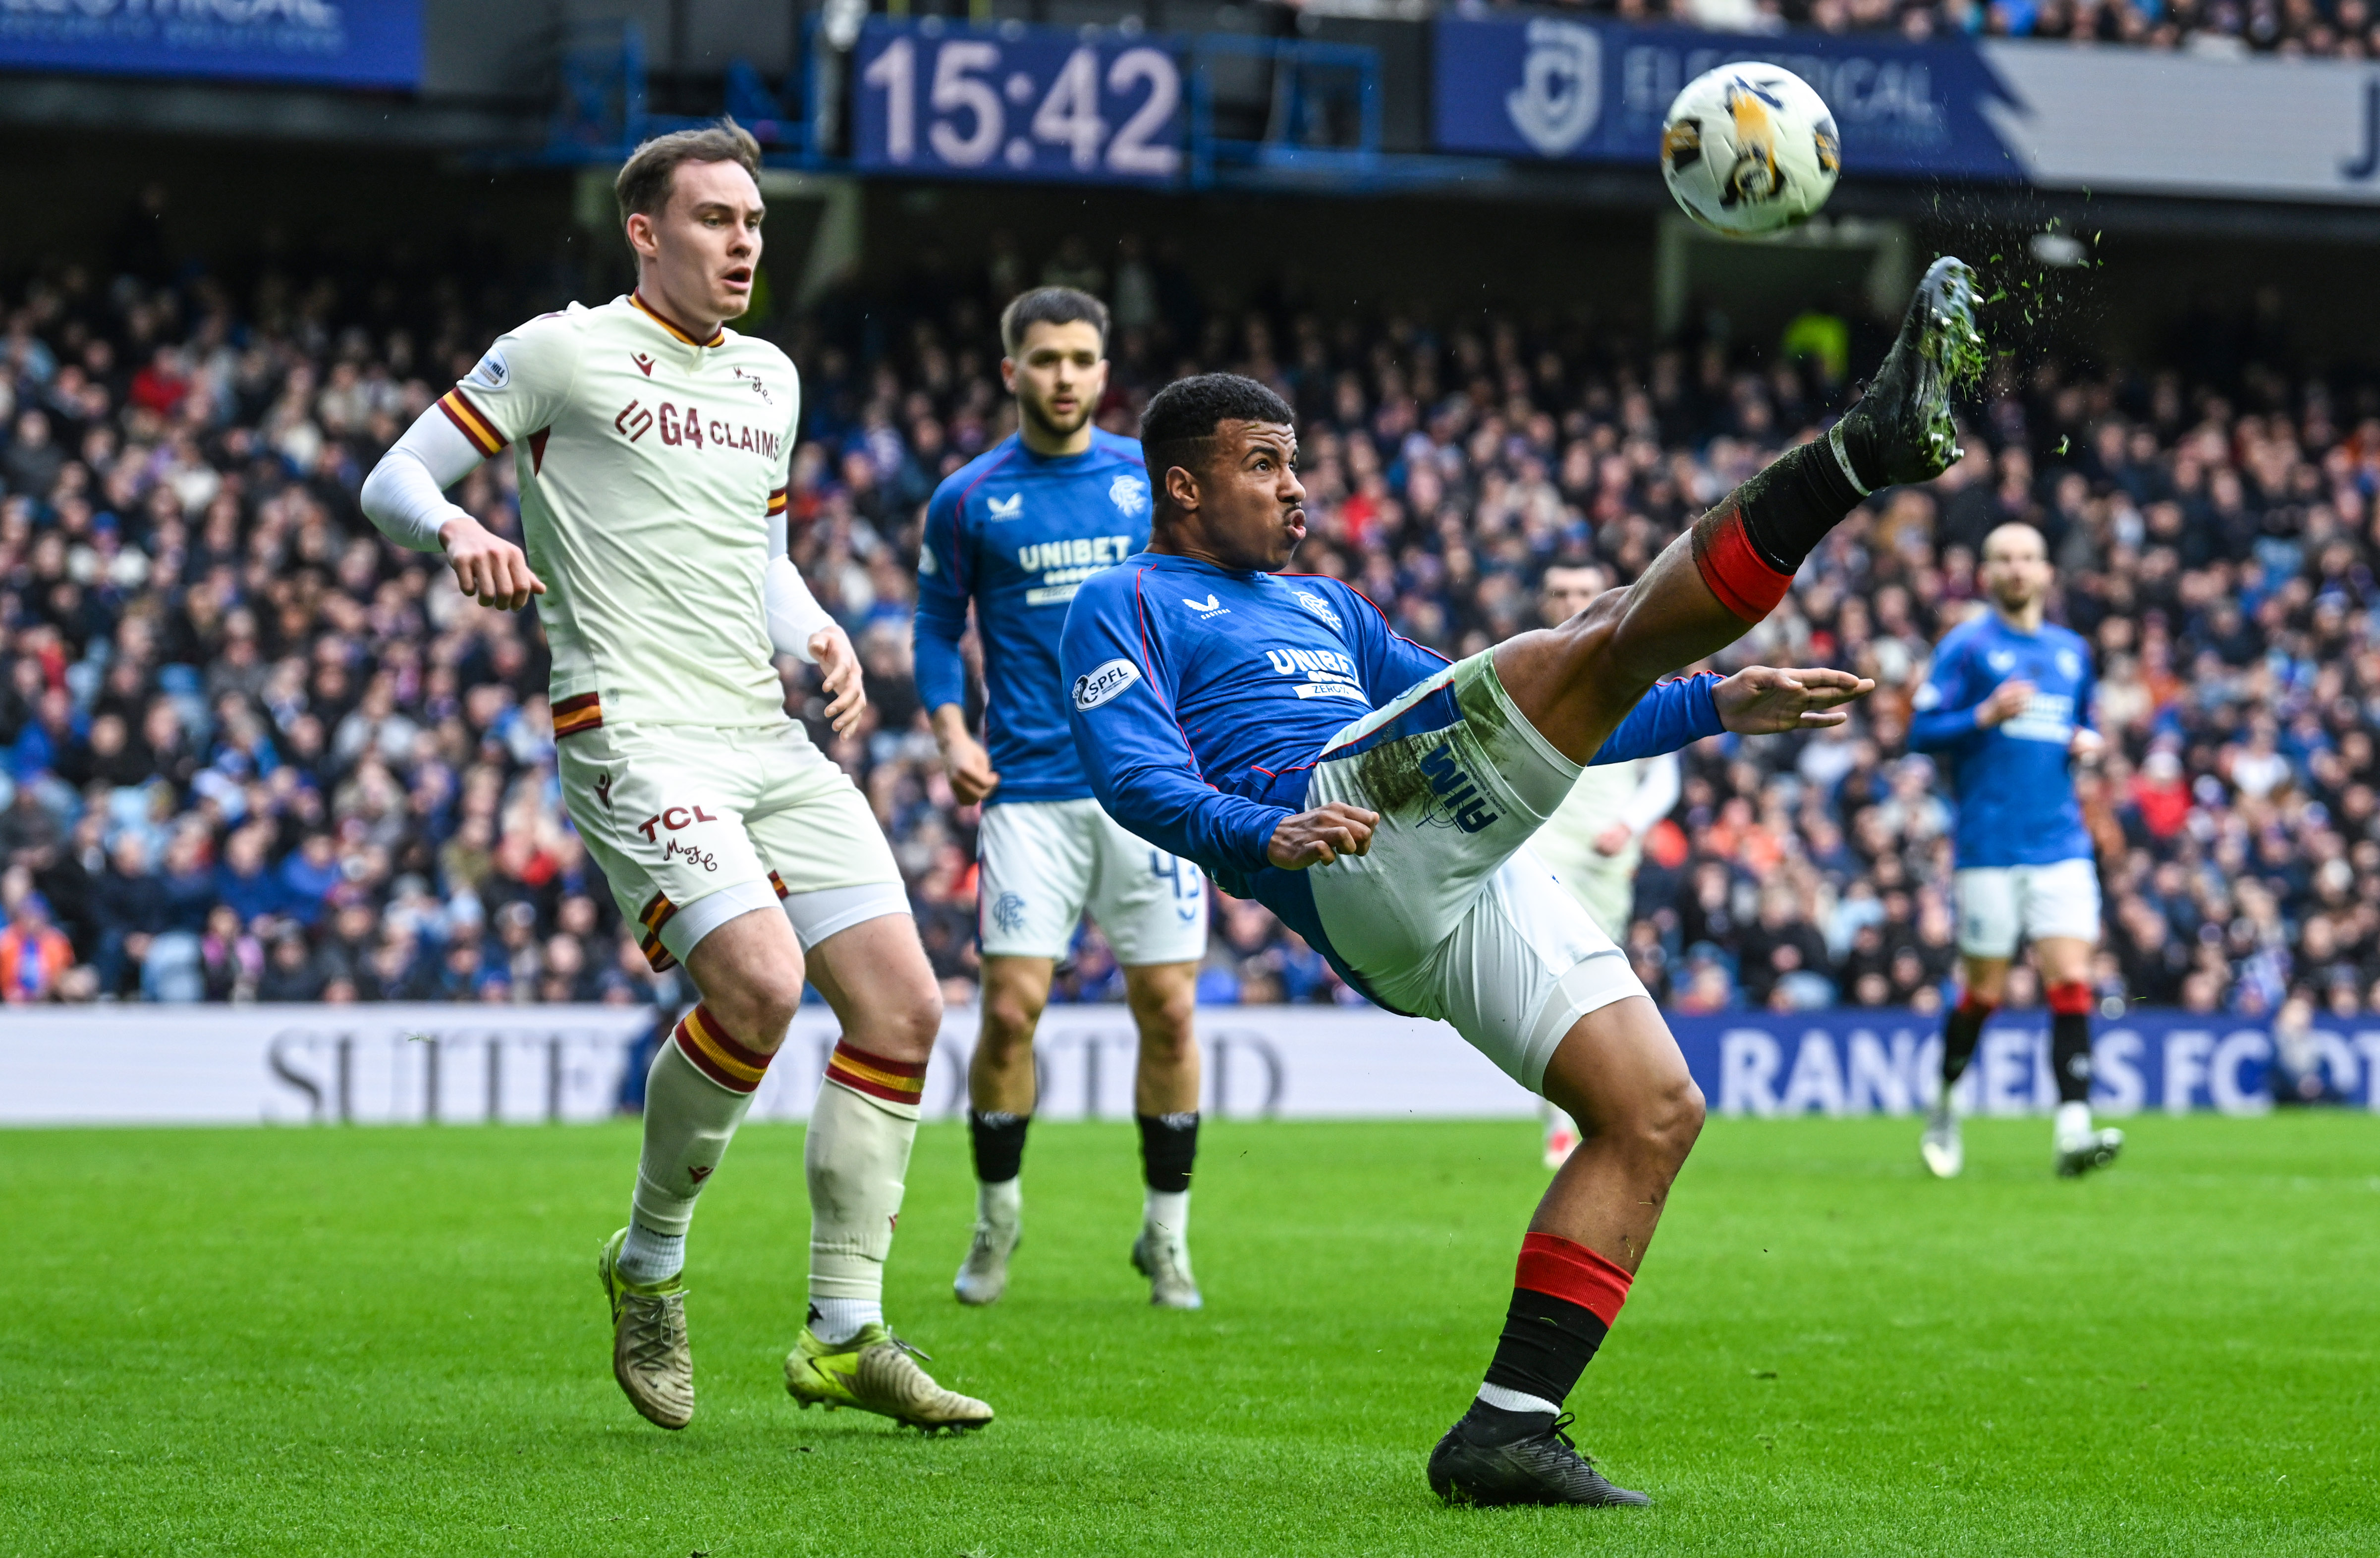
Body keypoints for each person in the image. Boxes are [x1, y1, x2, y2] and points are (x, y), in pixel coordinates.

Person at [1058, 256, 1977, 1507]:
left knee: (1654, 1109)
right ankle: (1857, 456)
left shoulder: (1326, 605)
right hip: (1352, 824)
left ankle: (1509, 1427)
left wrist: (1714, 706)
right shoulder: (1123, 601)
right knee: (1594, 632)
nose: (1297, 487)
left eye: (1295, 460)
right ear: (1183, 483)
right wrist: (1253, 831)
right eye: (1265, 463)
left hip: (1447, 864)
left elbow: (1549, 704)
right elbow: (1128, 775)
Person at [359, 120, 993, 1437]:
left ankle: (840, 1335)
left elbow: (757, 562)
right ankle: (647, 1262)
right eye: (715, 218)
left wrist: (815, 630)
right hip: (633, 726)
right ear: (644, 230)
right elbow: (393, 474)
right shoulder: (560, 352)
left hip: (763, 733)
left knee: (904, 1011)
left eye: (755, 222)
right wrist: (463, 524)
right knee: (759, 984)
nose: (743, 241)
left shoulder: (770, 378)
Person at [914, 287, 1210, 1311]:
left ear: (1103, 368)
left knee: (1169, 1012)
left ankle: (1164, 1238)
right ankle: (996, 1225)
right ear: (1012, 371)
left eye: (1081, 358)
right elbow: (933, 628)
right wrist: (950, 732)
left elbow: (1204, 604)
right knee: (1009, 1011)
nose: (1064, 376)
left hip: (1150, 783)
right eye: (1044, 359)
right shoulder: (969, 498)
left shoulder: (1150, 482)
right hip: (1029, 793)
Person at [1909, 521, 2123, 1180]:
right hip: (1987, 845)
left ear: (2045, 570)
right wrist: (1980, 716)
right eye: (2002, 557)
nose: (2016, 568)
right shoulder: (1965, 646)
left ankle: (2070, 1131)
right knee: (1983, 992)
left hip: (2058, 841)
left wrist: (2085, 742)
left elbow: (2079, 721)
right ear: (1985, 571)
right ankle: (1944, 1105)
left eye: (2027, 557)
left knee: (2069, 979)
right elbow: (1918, 730)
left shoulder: (2070, 651)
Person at [1527, 563, 1681, 1169]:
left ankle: (1584, 1112)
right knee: (1547, 985)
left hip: (1606, 858)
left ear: (1608, 599)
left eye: (1582, 593)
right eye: (1560, 592)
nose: (1570, 601)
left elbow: (1665, 769)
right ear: (1544, 601)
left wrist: (1632, 823)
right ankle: (1559, 1123)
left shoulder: (1633, 671)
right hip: (1542, 850)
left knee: (1595, 988)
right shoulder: (1524, 667)